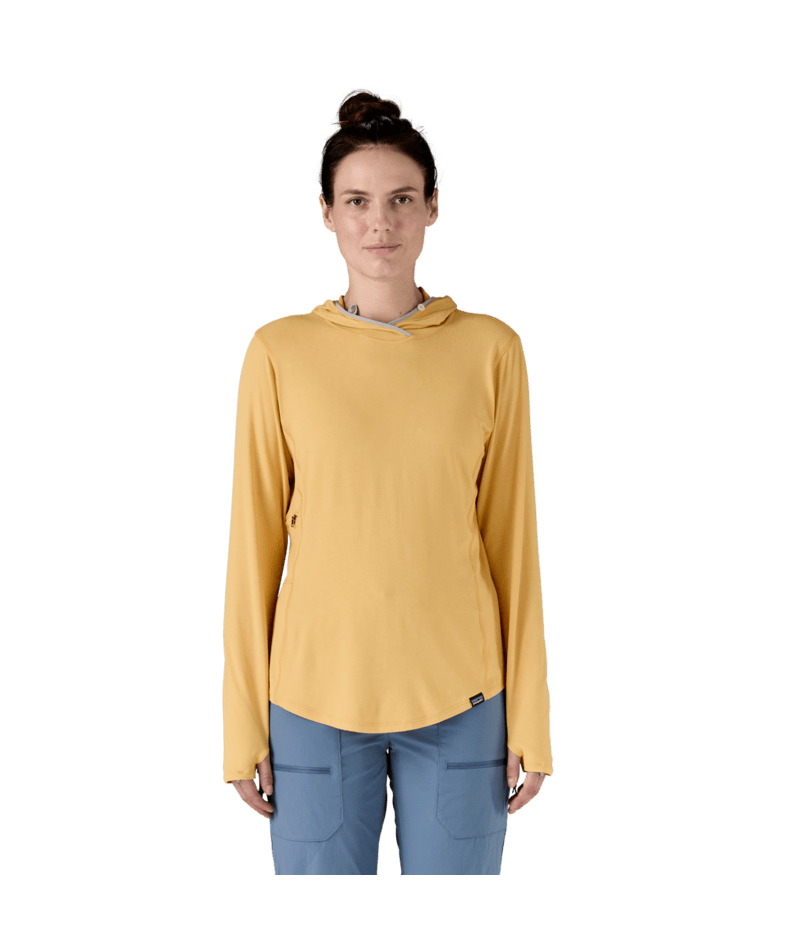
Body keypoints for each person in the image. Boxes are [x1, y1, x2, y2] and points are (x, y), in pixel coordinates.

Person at [221, 87, 554, 874]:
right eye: (358, 201)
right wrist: (241, 726)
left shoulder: (492, 349)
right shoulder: (277, 352)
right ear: (327, 213)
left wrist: (533, 719)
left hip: (463, 698)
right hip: (312, 700)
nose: (381, 222)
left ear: (432, 208)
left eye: (402, 199)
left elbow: (514, 542)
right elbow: (252, 549)